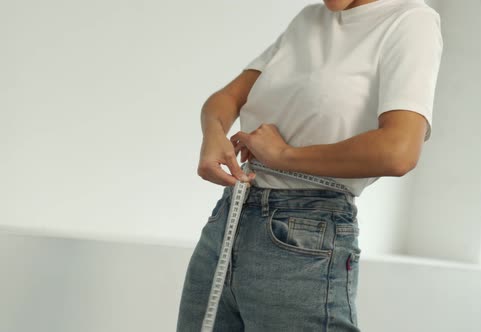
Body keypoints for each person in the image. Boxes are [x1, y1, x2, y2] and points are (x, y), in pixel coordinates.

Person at [176, 0, 443, 330]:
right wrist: (213, 133)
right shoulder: (308, 19)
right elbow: (227, 98)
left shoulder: (411, 21)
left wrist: (284, 156)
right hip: (228, 220)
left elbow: (399, 151)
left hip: (305, 234)